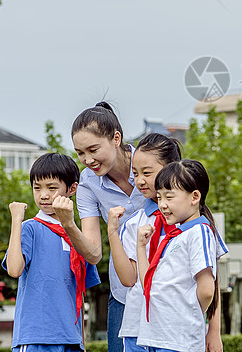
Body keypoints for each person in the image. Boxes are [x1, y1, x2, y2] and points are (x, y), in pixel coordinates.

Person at [108, 135, 227, 352]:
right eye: (135, 173)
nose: (140, 180)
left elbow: (210, 280)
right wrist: (113, 233)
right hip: (139, 327)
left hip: (177, 332)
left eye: (147, 172)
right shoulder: (136, 223)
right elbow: (129, 279)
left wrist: (213, 329)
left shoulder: (198, 227)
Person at [66, 102, 146, 352]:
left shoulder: (150, 162)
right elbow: (94, 253)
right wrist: (68, 224)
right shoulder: (88, 184)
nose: (87, 160)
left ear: (116, 138)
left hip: (166, 289)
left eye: (93, 149)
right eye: (80, 153)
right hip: (124, 293)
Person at [3, 153, 100, 352]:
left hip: (71, 340)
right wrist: (16, 221)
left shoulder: (78, 238)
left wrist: (81, 341)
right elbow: (14, 269)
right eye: (37, 188)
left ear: (72, 188)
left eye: (52, 188)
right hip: (36, 337)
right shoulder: (30, 228)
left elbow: (79, 294)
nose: (43, 195)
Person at [135, 159, 226, 352]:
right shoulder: (175, 236)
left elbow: (207, 289)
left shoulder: (200, 232)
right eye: (159, 197)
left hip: (179, 340)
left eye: (169, 197)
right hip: (158, 338)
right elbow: (148, 286)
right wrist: (141, 248)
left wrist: (187, 314)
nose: (162, 204)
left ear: (194, 197)